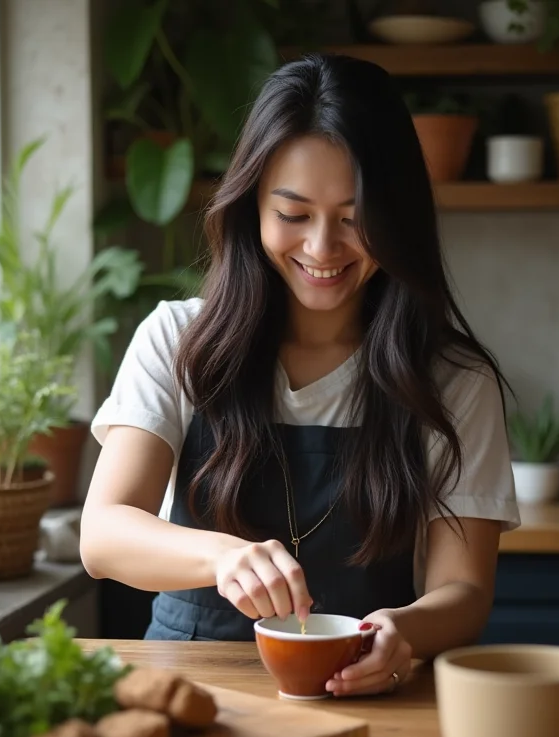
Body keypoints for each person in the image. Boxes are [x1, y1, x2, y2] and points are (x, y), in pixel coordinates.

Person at [80, 52, 520, 698]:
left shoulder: (453, 379)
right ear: (252, 207)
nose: (321, 248)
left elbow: (465, 591)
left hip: (364, 692)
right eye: (293, 215)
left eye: (354, 219)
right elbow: (103, 534)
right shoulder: (178, 340)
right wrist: (224, 556)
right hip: (188, 689)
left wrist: (405, 631)